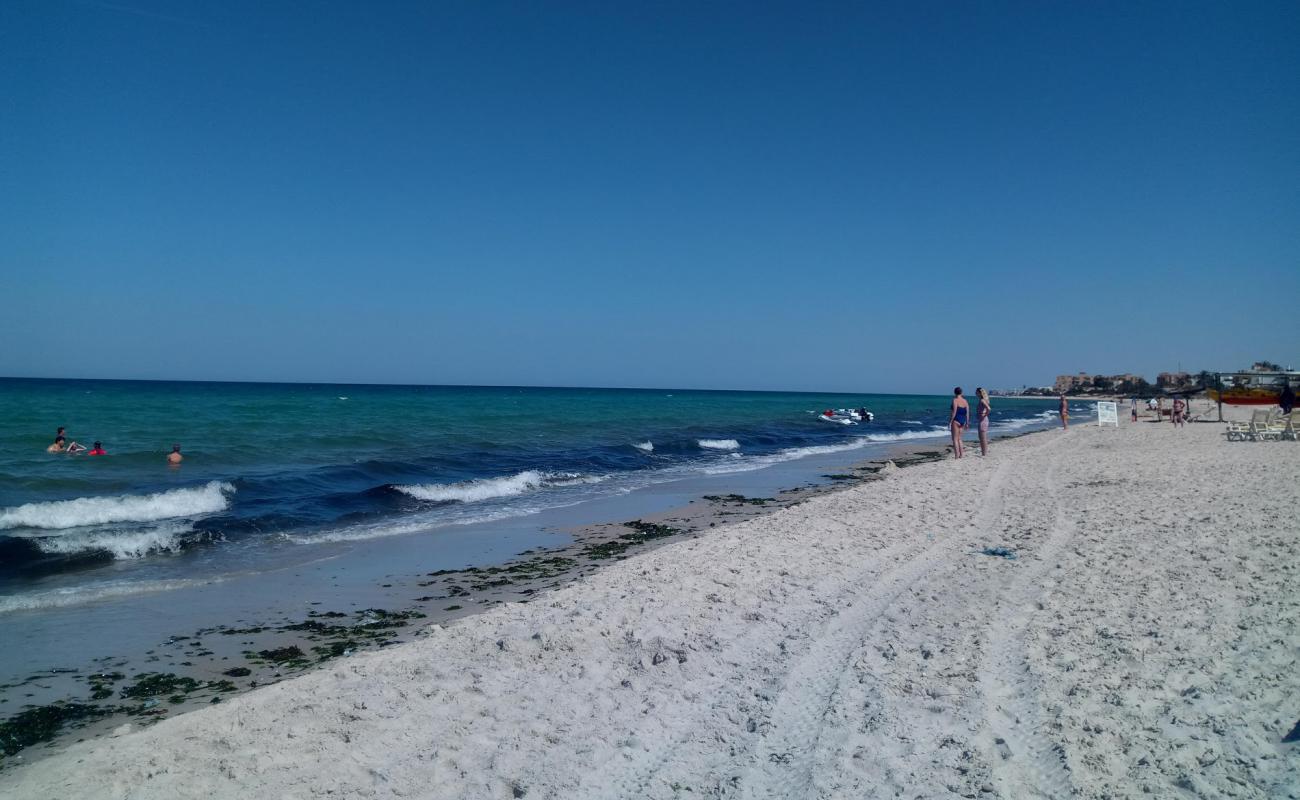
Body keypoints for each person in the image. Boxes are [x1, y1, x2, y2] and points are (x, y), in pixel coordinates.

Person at [950, 387, 969, 459]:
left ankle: (956, 456)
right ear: (961, 392)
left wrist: (950, 421)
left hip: (956, 420)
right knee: (960, 439)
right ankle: (961, 455)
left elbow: (954, 412)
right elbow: (967, 413)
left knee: (954, 439)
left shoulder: (955, 400)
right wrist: (967, 422)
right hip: (963, 421)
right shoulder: (965, 401)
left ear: (955, 393)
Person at [975, 387, 991, 457]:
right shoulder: (983, 400)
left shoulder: (982, 400)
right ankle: (984, 452)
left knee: (983, 438)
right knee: (981, 437)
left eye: (976, 392)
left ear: (979, 393)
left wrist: (984, 414)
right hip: (982, 420)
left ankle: (984, 453)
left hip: (983, 420)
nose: (975, 393)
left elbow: (989, 409)